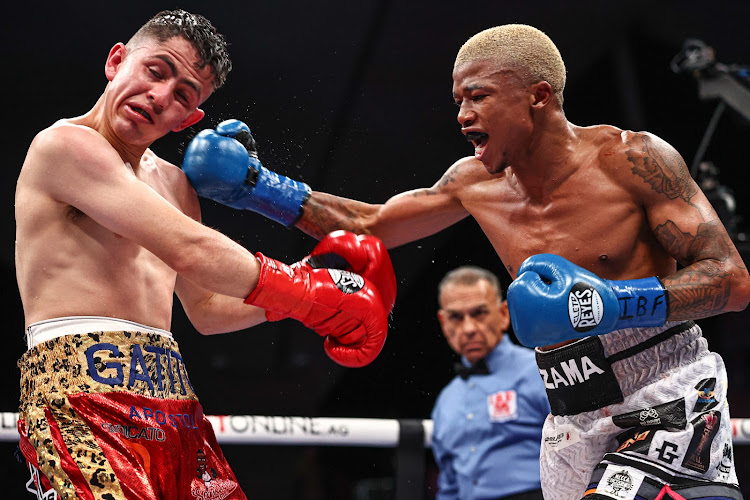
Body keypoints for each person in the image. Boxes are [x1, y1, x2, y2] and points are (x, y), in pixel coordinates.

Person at [182, 23, 750, 500]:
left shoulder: (632, 159)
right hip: (571, 417)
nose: (461, 114)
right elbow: (369, 224)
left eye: (477, 96)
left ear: (538, 95)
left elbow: (732, 279)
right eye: (458, 100)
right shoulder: (473, 182)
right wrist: (260, 189)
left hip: (665, 390)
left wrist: (610, 302)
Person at [14, 10, 397, 500]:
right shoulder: (65, 146)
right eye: (155, 71)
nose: (159, 96)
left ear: (189, 120)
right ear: (117, 61)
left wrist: (313, 277)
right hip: (79, 398)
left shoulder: (174, 185)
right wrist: (306, 293)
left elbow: (210, 310)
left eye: (182, 95)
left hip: (174, 404)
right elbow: (191, 249)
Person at [431, 266, 549, 500]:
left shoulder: (540, 371)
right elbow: (449, 486)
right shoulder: (446, 401)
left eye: (479, 313)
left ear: (504, 314)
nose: (469, 329)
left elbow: (582, 450)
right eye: (456, 317)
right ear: (444, 323)